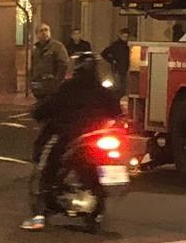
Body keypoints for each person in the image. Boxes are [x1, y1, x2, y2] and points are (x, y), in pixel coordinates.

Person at [22, 52, 123, 231]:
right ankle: (94, 210)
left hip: (73, 135)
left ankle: (41, 212)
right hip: (97, 135)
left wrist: (38, 112)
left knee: (49, 165)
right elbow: (117, 110)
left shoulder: (69, 88)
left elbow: (49, 106)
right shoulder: (101, 90)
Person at [28, 24, 71, 100]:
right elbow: (33, 66)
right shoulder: (36, 50)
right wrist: (32, 81)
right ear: (37, 34)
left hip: (52, 85)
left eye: (46, 30)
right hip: (39, 85)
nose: (44, 32)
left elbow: (63, 65)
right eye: (41, 31)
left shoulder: (57, 47)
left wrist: (57, 81)